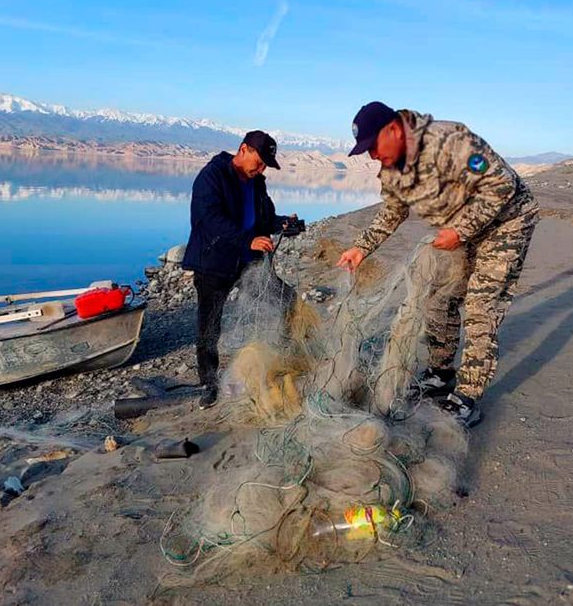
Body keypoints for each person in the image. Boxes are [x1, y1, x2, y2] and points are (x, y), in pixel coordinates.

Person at [336, 102, 539, 427]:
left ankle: (466, 399)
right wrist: (361, 249)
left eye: (373, 146)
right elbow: (392, 213)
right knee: (437, 299)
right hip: (461, 230)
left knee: (479, 306)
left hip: (507, 222)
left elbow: (502, 186)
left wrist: (460, 231)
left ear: (393, 129)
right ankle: (441, 372)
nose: (372, 155)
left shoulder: (450, 140)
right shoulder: (392, 168)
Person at [182, 131, 297, 409]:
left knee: (285, 299)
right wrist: (247, 239)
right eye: (259, 161)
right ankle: (209, 383)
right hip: (215, 263)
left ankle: (282, 358)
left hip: (249, 262)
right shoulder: (212, 176)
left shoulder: (257, 183)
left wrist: (283, 223)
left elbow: (263, 219)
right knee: (209, 325)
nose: (261, 168)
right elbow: (209, 220)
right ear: (243, 149)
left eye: (266, 165)